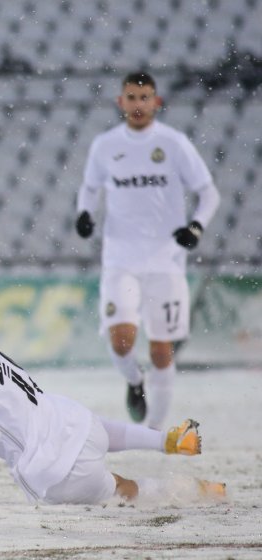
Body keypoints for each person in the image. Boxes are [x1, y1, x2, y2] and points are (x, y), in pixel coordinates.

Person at [0, 303, 224, 510]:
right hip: (70, 418)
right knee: (95, 430)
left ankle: (202, 491)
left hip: (57, 467)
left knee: (128, 489)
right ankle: (169, 441)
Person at [75, 72, 221, 429]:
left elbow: (209, 193)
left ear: (156, 102)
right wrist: (84, 214)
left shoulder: (173, 143)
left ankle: (155, 432)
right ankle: (134, 381)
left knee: (161, 349)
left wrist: (196, 227)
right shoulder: (105, 146)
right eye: (131, 97)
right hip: (120, 258)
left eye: (144, 97)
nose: (138, 104)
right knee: (122, 341)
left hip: (165, 261)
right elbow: (89, 188)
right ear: (120, 103)